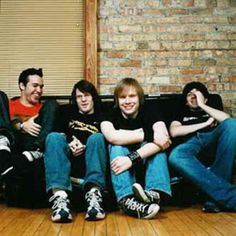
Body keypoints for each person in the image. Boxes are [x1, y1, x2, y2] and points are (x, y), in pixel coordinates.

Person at [101, 78, 171, 219]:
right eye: (122, 97)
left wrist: (131, 158)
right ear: (117, 100)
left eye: (132, 96)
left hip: (140, 160)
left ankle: (154, 195)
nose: (127, 101)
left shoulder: (151, 109)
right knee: (117, 147)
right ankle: (127, 200)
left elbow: (164, 140)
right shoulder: (109, 111)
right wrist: (149, 135)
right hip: (121, 159)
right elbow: (112, 136)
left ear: (139, 98)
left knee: (158, 151)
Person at [44, 80, 109, 223]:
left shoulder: (103, 115)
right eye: (79, 96)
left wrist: (85, 146)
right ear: (75, 99)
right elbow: (59, 135)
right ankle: (60, 200)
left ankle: (94, 197)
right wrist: (70, 143)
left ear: (93, 97)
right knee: (53, 137)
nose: (83, 99)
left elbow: (109, 137)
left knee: (97, 138)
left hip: (92, 155)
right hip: (68, 156)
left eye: (87, 95)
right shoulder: (67, 112)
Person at [168, 81, 236, 212]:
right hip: (192, 142)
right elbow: (174, 131)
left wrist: (202, 105)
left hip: (212, 138)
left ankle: (219, 198)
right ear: (186, 101)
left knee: (233, 124)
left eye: (197, 94)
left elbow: (229, 122)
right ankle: (219, 199)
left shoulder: (211, 107)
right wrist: (205, 124)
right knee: (176, 156)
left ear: (205, 98)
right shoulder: (180, 110)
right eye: (189, 94)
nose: (193, 96)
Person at [0, 68, 58, 175]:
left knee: (52, 103)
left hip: (33, 146)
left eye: (41, 87)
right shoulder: (7, 105)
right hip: (12, 145)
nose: (39, 90)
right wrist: (21, 125)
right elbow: (7, 122)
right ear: (22, 86)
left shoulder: (46, 110)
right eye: (35, 86)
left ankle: (38, 150)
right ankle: (2, 149)